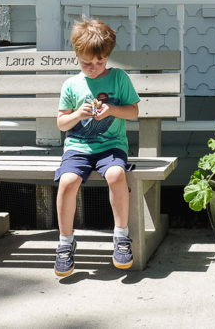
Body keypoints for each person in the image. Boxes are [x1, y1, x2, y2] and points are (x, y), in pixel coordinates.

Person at [53, 18, 139, 276]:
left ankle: (121, 237)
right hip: (78, 148)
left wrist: (112, 109)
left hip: (111, 145)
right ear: (76, 56)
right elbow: (61, 123)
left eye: (100, 62)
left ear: (108, 56)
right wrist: (79, 114)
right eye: (86, 63)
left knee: (116, 174)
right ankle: (65, 242)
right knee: (67, 181)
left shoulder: (118, 78)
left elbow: (133, 112)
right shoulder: (71, 85)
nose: (93, 68)